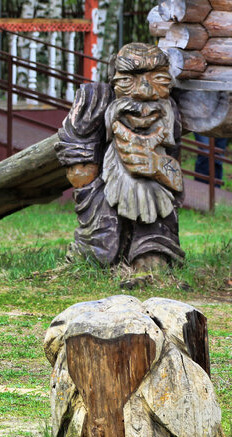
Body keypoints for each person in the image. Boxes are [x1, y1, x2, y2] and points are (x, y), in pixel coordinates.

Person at [55, 42, 185, 271]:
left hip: (156, 212)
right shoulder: (94, 101)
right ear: (113, 81)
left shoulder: (168, 110)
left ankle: (151, 246)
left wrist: (156, 166)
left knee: (155, 260)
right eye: (127, 80)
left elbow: (174, 176)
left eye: (160, 80)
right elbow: (78, 165)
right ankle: (102, 250)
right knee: (98, 251)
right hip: (102, 211)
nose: (144, 92)